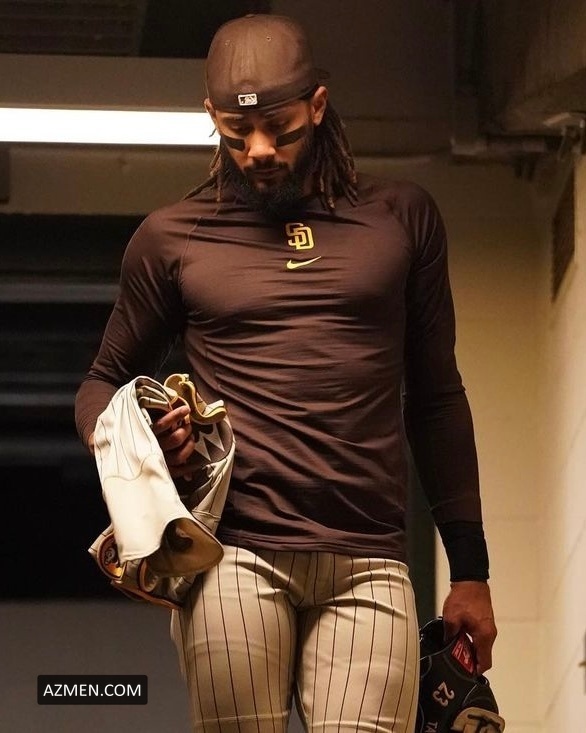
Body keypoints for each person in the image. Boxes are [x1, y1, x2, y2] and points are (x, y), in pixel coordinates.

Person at [75, 13, 497, 733]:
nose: (260, 150)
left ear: (318, 105)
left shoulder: (401, 219)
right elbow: (99, 385)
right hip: (233, 555)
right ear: (211, 117)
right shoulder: (172, 237)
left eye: (280, 128)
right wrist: (138, 433)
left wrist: (471, 571)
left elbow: (436, 398)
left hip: (369, 558)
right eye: (237, 133)